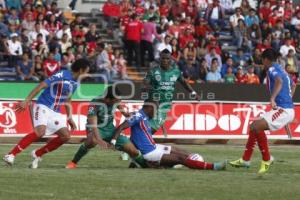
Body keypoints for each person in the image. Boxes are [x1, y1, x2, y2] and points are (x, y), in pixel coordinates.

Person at [3, 58, 90, 168]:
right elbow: (41, 85)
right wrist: (26, 101)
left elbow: (67, 100)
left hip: (55, 112)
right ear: (81, 70)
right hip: (43, 105)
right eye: (87, 71)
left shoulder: (76, 83)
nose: (87, 74)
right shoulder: (62, 74)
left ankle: (37, 153)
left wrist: (70, 118)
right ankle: (11, 154)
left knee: (66, 136)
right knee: (40, 132)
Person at [229, 49, 296, 174]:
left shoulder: (271, 70)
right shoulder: (282, 70)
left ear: (266, 59)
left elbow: (279, 82)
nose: (262, 62)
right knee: (254, 127)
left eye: (262, 59)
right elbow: (293, 85)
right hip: (286, 109)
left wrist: (273, 98)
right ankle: (246, 160)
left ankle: (266, 159)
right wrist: (288, 99)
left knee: (255, 126)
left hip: (284, 110)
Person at [110, 101, 226, 170]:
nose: (155, 113)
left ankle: (179, 163)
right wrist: (113, 141)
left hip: (155, 147)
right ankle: (212, 166)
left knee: (179, 151)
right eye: (155, 110)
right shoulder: (137, 116)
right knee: (180, 159)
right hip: (150, 154)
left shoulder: (144, 116)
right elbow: (121, 127)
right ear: (149, 108)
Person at [66, 86, 147, 169]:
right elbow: (94, 126)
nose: (118, 102)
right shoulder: (95, 104)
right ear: (107, 99)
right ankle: (73, 162)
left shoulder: (115, 100)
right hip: (96, 128)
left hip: (110, 129)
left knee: (132, 150)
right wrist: (99, 140)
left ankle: (146, 166)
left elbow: (119, 105)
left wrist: (126, 114)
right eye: (116, 100)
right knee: (92, 141)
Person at [143, 49, 200, 134]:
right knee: (144, 126)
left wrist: (193, 93)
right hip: (152, 103)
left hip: (164, 106)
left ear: (171, 59)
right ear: (160, 59)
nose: (165, 60)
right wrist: (151, 90)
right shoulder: (153, 71)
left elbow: (184, 82)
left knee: (152, 129)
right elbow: (145, 84)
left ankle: (141, 143)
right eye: (163, 58)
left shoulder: (175, 71)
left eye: (167, 58)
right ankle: (141, 144)